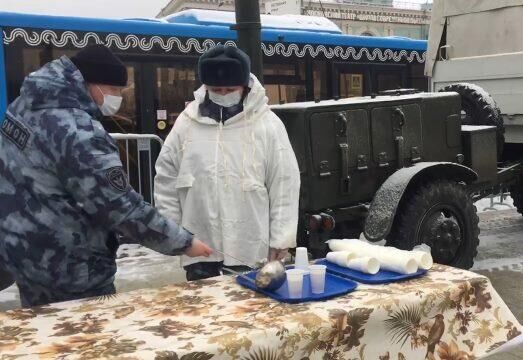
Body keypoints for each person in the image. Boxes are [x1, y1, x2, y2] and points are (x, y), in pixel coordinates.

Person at [0, 45, 213, 307]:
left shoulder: (24, 106)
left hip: (22, 252)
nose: (118, 98)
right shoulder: (78, 130)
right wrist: (183, 242)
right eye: (114, 90)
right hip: (69, 267)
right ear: (91, 84)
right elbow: (120, 206)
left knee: (46, 339)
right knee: (87, 341)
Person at [154, 45, 301, 281]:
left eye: (230, 89)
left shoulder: (267, 124)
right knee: (203, 312)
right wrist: (177, 234)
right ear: (206, 88)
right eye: (216, 89)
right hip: (199, 247)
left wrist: (281, 238)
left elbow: (284, 183)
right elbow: (166, 178)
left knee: (249, 311)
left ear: (245, 87)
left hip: (250, 249)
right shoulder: (187, 123)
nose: (223, 94)